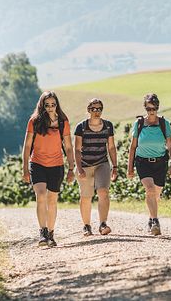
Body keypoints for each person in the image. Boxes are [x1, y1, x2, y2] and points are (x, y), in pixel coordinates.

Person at [22, 91, 76, 247]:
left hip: (56, 165)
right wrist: (25, 168)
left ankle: (51, 234)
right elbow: (27, 146)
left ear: (57, 105)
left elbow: (68, 146)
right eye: (47, 105)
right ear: (42, 106)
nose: (50, 108)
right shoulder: (34, 121)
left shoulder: (62, 122)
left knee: (52, 200)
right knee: (40, 196)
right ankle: (43, 232)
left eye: (53, 105)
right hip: (37, 164)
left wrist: (71, 168)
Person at [127, 93, 171, 236]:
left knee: (156, 194)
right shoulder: (139, 124)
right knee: (150, 190)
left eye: (154, 108)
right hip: (142, 162)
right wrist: (129, 167)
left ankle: (150, 218)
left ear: (157, 108)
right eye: (148, 108)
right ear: (145, 108)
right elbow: (133, 147)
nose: (151, 111)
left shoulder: (163, 123)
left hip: (160, 162)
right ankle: (155, 221)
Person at [74, 98, 119, 237]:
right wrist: (79, 167)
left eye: (99, 109)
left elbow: (111, 147)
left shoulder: (108, 126)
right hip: (85, 164)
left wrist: (115, 166)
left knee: (103, 191)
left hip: (102, 163)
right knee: (86, 196)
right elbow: (77, 149)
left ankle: (103, 224)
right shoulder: (81, 127)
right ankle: (87, 226)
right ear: (88, 110)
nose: (96, 111)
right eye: (93, 109)